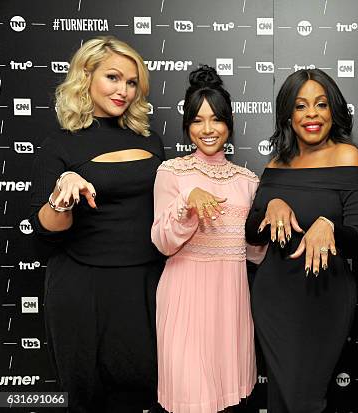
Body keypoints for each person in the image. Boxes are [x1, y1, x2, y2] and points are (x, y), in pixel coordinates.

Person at [29, 36, 165, 412]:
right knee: (86, 397)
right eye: (113, 77)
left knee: (145, 393)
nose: (124, 90)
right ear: (86, 76)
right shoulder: (60, 145)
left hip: (143, 282)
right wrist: (63, 193)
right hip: (81, 286)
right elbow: (43, 233)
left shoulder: (152, 141)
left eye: (132, 82)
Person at [245, 68, 358, 412]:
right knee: (280, 399)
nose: (312, 114)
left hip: (324, 297)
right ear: (289, 114)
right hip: (273, 297)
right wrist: (272, 203)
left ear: (334, 110)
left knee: (306, 400)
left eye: (321, 104)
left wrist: (329, 225)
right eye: (301, 106)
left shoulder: (348, 156)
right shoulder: (276, 163)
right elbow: (250, 229)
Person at [151, 65, 264, 413]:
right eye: (197, 120)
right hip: (184, 298)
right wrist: (188, 203)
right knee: (189, 396)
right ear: (187, 127)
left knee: (227, 397)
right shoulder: (171, 172)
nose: (208, 129)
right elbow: (162, 241)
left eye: (216, 119)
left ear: (229, 125)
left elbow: (254, 253)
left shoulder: (248, 180)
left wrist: (275, 221)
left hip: (230, 301)